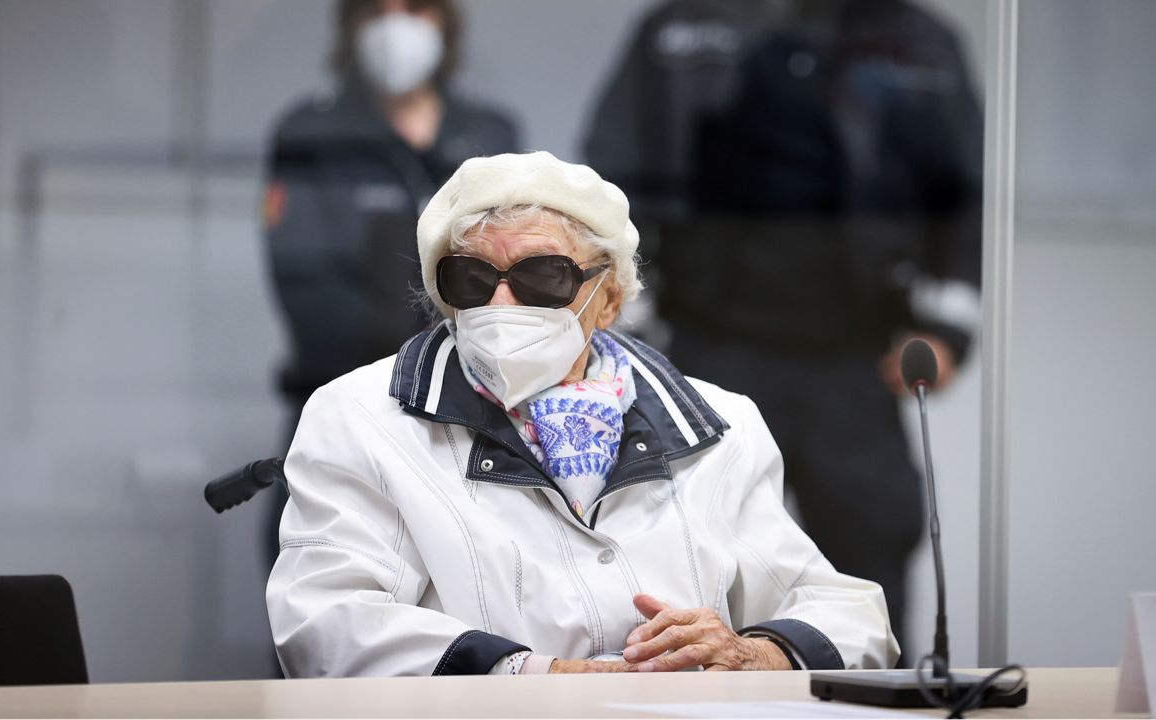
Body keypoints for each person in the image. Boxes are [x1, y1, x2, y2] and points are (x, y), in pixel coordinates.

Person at [265, 151, 899, 676]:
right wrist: (536, 678)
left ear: (609, 299)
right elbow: (324, 623)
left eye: (543, 276)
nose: (503, 303)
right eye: (471, 279)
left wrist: (753, 653)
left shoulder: (719, 424)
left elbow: (852, 616)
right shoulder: (360, 416)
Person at [658, 0, 984, 646]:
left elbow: (962, 198)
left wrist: (944, 334)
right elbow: (627, 174)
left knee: (873, 543)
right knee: (691, 553)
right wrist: (633, 330)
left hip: (855, 352)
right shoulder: (689, 23)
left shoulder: (920, 41)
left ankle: (883, 702)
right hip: (713, 342)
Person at [261, 0, 518, 574]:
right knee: (324, 593)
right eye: (377, 10)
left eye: (416, 8)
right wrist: (413, 372)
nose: (395, 25)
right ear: (350, 24)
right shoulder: (311, 132)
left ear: (445, 23)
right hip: (342, 401)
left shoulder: (489, 134)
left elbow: (516, 272)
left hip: (478, 419)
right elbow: (306, 285)